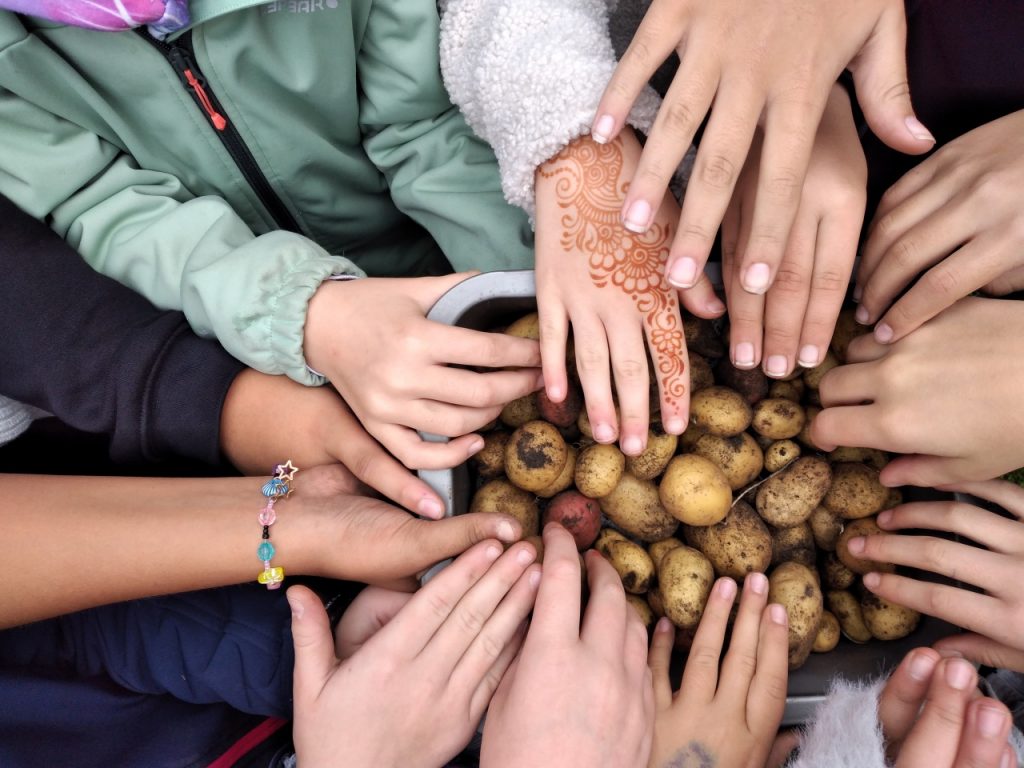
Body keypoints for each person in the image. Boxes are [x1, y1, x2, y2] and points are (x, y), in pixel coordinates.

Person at [0, 0, 542, 471]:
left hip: (437, 274)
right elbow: (99, 205)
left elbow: (423, 123)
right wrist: (304, 311)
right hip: (257, 354)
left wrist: (517, 288)